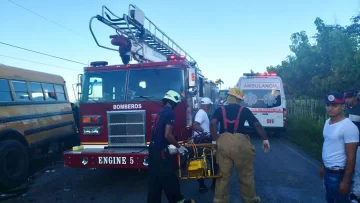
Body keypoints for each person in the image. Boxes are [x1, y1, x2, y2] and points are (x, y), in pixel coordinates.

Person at [210, 87, 270, 203]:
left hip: (224, 142)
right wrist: (265, 139)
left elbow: (213, 123)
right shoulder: (244, 110)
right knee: (246, 175)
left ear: (229, 97)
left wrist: (214, 142)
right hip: (241, 144)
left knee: (223, 176)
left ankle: (219, 200)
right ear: (239, 99)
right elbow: (256, 124)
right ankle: (250, 199)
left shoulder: (220, 110)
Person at [147, 90, 194, 203]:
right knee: (170, 179)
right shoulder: (170, 113)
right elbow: (167, 134)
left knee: (154, 181)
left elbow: (154, 130)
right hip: (162, 154)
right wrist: (178, 146)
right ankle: (179, 201)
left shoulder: (161, 112)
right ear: (174, 103)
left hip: (153, 152)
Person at [319, 91, 359, 203]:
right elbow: (326, 145)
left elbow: (351, 157)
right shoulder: (327, 122)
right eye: (328, 105)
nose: (330, 108)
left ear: (342, 106)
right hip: (327, 171)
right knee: (330, 200)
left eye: (334, 105)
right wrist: (323, 166)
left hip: (338, 175)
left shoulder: (348, 127)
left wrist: (346, 181)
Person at [192, 97, 218, 193]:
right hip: (203, 141)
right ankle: (213, 183)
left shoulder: (202, 112)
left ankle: (203, 185)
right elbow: (195, 125)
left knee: (202, 161)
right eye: (210, 105)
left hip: (201, 140)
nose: (210, 106)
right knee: (213, 160)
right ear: (207, 105)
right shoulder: (201, 113)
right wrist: (205, 132)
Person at [344, 89, 360, 202]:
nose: (347, 100)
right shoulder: (348, 108)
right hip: (348, 143)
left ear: (355, 97)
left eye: (349, 97)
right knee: (350, 167)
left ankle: (356, 194)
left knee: (359, 169)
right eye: (346, 97)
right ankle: (350, 189)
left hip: (359, 144)